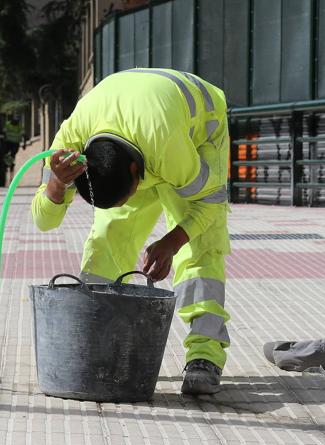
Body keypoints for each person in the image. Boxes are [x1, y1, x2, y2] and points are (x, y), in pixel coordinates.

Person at [31, 69, 231, 395]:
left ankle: (204, 357)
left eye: (127, 195)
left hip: (196, 133)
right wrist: (55, 184)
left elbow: (209, 204)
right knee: (107, 236)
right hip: (135, 128)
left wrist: (173, 241)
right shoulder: (71, 142)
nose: (131, 201)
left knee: (200, 247)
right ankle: (94, 339)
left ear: (136, 172)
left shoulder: (169, 150)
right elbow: (43, 221)